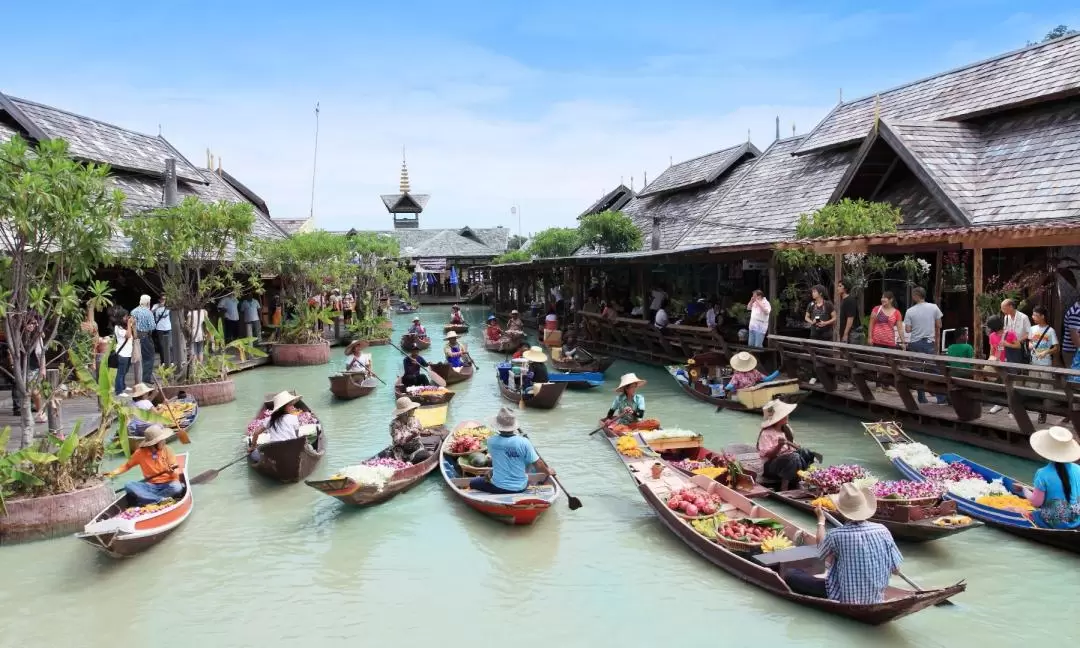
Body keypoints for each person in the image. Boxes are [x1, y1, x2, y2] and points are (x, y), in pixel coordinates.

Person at [783, 484, 904, 604]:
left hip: (843, 596)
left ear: (841, 510)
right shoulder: (883, 530)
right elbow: (896, 570)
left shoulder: (836, 535)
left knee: (791, 575)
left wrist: (821, 521)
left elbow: (820, 552)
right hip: (876, 597)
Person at [468, 407, 554, 494]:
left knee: (473, 483)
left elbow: (499, 460)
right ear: (513, 427)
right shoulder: (524, 442)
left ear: (498, 426)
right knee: (527, 464)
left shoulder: (491, 441)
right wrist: (548, 471)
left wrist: (491, 472)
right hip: (521, 487)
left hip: (498, 487)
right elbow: (538, 464)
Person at [1011, 426, 1080, 529]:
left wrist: (1024, 490)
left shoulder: (1043, 473)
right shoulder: (1078, 469)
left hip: (1055, 521)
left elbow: (1036, 503)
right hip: (1076, 518)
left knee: (1010, 509)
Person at [103, 424, 184, 505]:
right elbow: (127, 466)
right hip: (151, 486)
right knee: (129, 485)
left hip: (168, 484)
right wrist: (112, 473)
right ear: (154, 443)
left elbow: (176, 472)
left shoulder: (167, 450)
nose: (164, 441)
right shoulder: (140, 453)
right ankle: (158, 500)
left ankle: (148, 498)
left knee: (177, 488)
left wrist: (172, 472)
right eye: (162, 440)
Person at [756, 399, 820, 490]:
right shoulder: (766, 433)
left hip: (789, 462)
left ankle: (799, 479)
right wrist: (779, 446)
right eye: (784, 415)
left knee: (805, 452)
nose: (787, 416)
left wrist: (795, 447)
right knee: (793, 457)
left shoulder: (787, 430)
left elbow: (794, 447)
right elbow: (768, 455)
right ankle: (784, 487)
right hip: (770, 467)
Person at [904, 286, 946, 404]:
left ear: (916, 295)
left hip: (915, 343)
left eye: (913, 295)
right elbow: (939, 325)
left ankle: (921, 397)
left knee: (917, 370)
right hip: (929, 343)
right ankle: (941, 398)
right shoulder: (934, 307)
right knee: (934, 370)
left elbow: (907, 330)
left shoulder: (910, 311)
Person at [248, 391, 304, 461]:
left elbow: (256, 433)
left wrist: (253, 447)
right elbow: (296, 436)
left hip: (274, 453)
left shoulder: (269, 419)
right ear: (283, 407)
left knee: (254, 454)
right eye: (290, 405)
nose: (293, 407)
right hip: (291, 451)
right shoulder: (293, 418)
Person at [1029, 305, 1059, 424]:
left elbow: (1056, 348)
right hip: (1034, 363)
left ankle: (1043, 413)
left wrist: (1046, 351)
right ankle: (1035, 410)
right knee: (1033, 388)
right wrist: (1030, 345)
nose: (1033, 317)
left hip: (1045, 364)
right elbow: (1030, 342)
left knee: (1045, 390)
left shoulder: (1050, 331)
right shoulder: (1032, 329)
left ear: (1042, 316)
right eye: (1033, 315)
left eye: (1035, 315)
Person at [986, 315, 1019, 414]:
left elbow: (1018, 346)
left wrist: (1007, 344)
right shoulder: (992, 336)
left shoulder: (1010, 334)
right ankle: (998, 404)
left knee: (1011, 387)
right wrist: (991, 359)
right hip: (998, 363)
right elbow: (992, 350)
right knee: (999, 384)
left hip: (1009, 363)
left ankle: (1012, 408)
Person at [387, 397, 432, 463]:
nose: (414, 410)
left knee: (426, 455)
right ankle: (409, 461)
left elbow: (420, 431)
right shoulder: (394, 424)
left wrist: (427, 432)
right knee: (424, 456)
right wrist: (412, 436)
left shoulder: (415, 420)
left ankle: (413, 460)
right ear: (405, 412)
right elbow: (399, 441)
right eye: (412, 409)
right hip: (402, 452)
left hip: (417, 448)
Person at [131, 294, 156, 383]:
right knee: (149, 357)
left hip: (136, 336)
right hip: (145, 336)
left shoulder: (133, 311)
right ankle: (146, 378)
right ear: (148, 302)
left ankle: (138, 378)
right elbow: (152, 327)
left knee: (137, 357)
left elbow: (131, 324)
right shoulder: (148, 312)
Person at [1001, 298, 1031, 365]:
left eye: (1004, 308)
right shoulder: (1006, 317)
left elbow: (1029, 333)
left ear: (1011, 307)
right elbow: (1005, 331)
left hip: (1021, 345)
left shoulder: (1023, 317)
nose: (1002, 311)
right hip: (1009, 346)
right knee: (1009, 366)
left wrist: (1018, 340)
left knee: (1019, 366)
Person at [112, 310, 134, 395]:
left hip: (128, 352)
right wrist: (129, 324)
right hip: (122, 353)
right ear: (120, 318)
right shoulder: (118, 327)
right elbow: (128, 335)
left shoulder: (125, 326)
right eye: (125, 316)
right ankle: (118, 391)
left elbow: (134, 335)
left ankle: (123, 386)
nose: (126, 318)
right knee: (121, 373)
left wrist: (133, 325)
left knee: (125, 371)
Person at [835, 280, 862, 345]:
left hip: (851, 333)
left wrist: (845, 334)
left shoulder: (850, 300)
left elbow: (850, 318)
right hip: (846, 332)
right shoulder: (844, 300)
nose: (837, 288)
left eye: (840, 286)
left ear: (845, 288)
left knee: (850, 354)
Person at [151, 294, 172, 367]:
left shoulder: (168, 306)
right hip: (159, 328)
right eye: (162, 299)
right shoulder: (156, 306)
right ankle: (163, 361)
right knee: (162, 345)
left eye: (165, 299)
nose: (164, 301)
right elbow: (150, 313)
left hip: (168, 327)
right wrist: (158, 307)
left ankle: (170, 361)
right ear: (159, 300)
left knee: (170, 345)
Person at [1063, 298, 1080, 369]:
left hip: (1075, 351)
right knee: (1074, 378)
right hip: (1073, 352)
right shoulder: (1076, 313)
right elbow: (1075, 338)